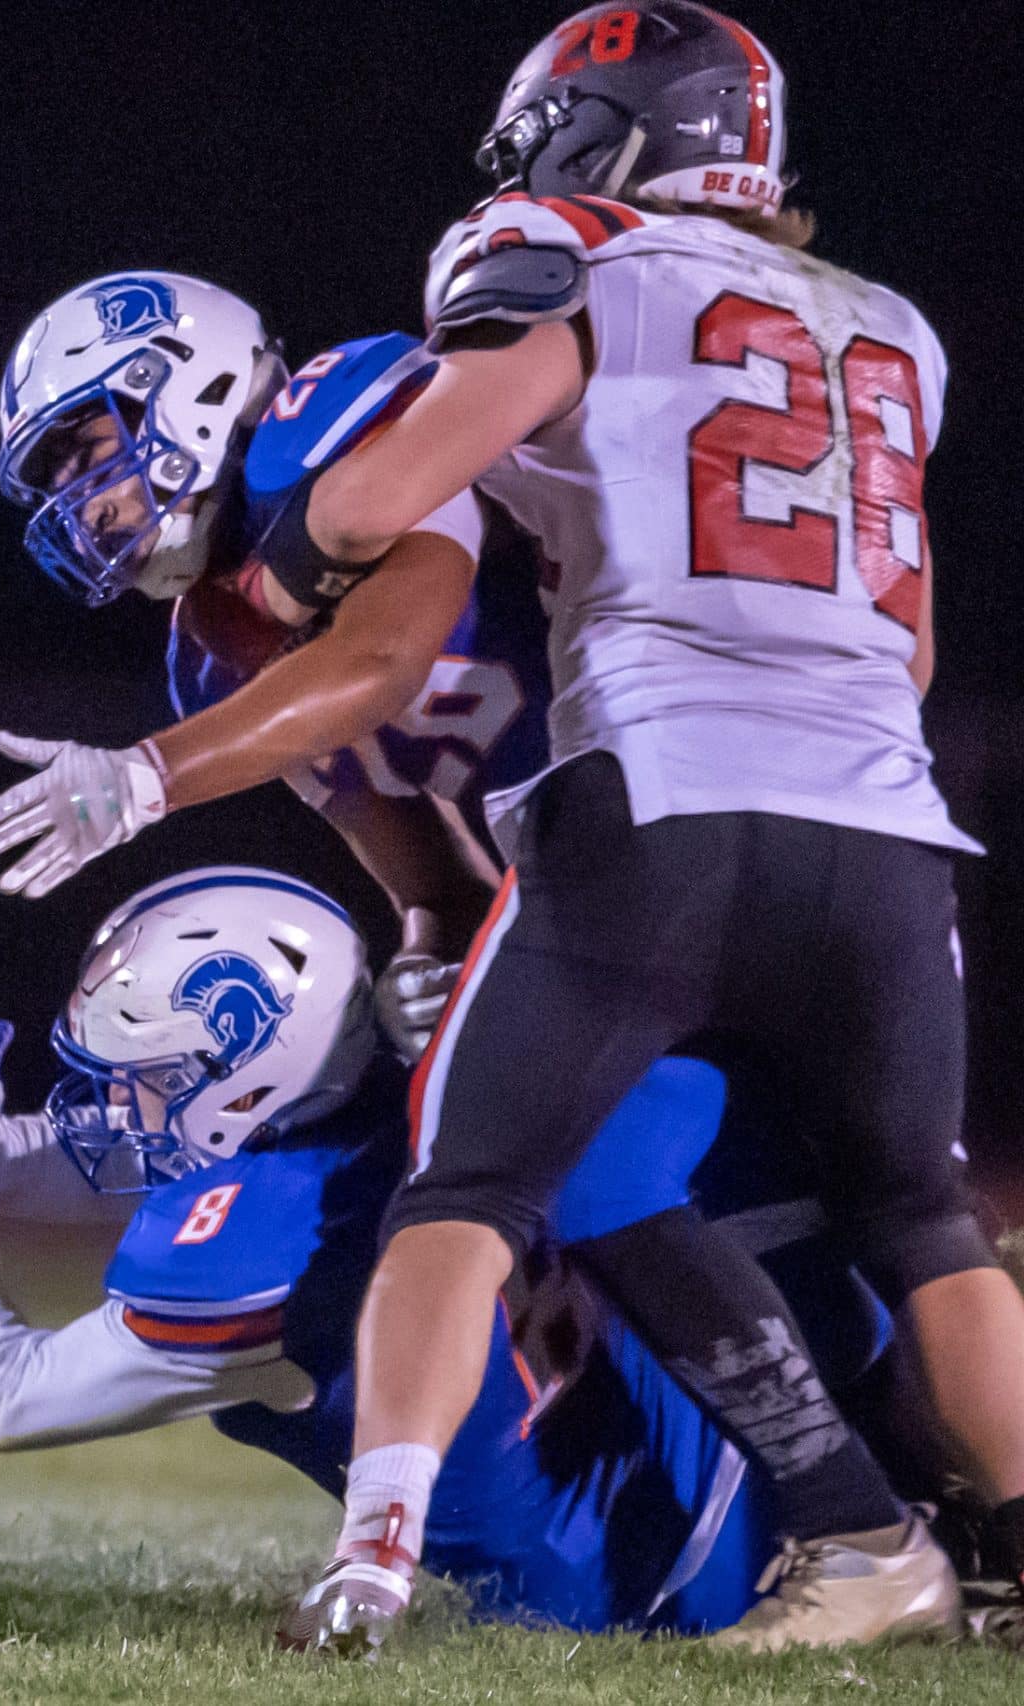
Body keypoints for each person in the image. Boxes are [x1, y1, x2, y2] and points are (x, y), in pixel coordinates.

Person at [0, 263, 983, 1646]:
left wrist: (148, 779)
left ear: (189, 389)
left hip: (700, 814)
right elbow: (427, 874)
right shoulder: (213, 651)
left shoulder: (339, 431)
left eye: (86, 447)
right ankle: (890, 1528)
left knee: (828, 1200)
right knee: (716, 1188)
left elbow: (384, 657)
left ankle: (883, 1525)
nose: (80, 499)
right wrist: (430, 956)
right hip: (611, 885)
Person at [226, 3, 1023, 1652]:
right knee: (925, 1217)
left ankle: (372, 1560)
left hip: (661, 794)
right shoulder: (890, 328)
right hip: (887, 824)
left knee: (469, 1183)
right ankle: (994, 1553)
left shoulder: (583, 261)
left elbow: (367, 503)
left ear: (602, 136)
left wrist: (295, 553)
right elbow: (914, 649)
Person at [0, 868, 905, 1637]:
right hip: (725, 1462)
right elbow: (131, 1148)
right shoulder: (432, 1095)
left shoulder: (255, 1247)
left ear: (245, 1070)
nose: (118, 1105)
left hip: (633, 1587)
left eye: (151, 1077)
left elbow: (5, 1395)